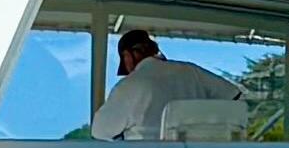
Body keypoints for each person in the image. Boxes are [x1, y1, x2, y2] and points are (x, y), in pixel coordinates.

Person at [89, 29, 242, 141]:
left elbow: (100, 131)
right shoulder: (191, 71)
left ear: (127, 56)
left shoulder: (129, 85)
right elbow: (232, 96)